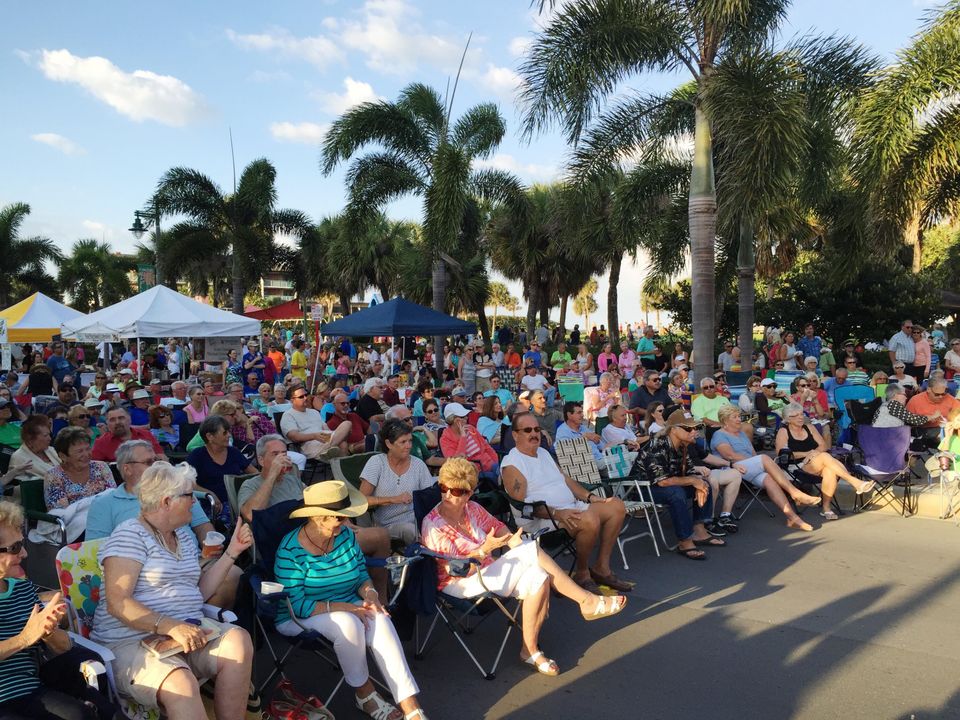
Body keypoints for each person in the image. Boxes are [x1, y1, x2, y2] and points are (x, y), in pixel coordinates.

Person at [421, 458, 626, 677]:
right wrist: (483, 550)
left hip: (487, 572)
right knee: (531, 550)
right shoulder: (433, 524)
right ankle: (586, 601)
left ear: (469, 493)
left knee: (537, 575)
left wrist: (511, 540)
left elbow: (498, 527)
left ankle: (530, 649)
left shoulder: (472, 509)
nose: (449, 495)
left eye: (457, 491)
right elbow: (455, 568)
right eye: (444, 488)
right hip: (459, 583)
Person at [91, 462, 254, 718]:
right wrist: (171, 627)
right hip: (130, 641)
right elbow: (117, 603)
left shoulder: (183, 535)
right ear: (167, 501)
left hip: (184, 633)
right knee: (181, 683)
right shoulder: (129, 536)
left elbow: (197, 591)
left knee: (238, 641)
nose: (195, 501)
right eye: (189, 495)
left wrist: (232, 552)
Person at [274, 481, 429, 720]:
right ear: (319, 517)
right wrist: (350, 607)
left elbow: (360, 575)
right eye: (340, 518)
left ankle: (410, 706)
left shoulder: (345, 536)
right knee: (348, 623)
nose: (346, 523)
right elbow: (296, 604)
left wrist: (370, 594)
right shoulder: (290, 550)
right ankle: (365, 695)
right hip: (300, 616)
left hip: (349, 606)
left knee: (379, 616)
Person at [0, 500, 106, 720]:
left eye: (22, 544)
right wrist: (25, 638)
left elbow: (61, 648)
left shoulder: (22, 587)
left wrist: (48, 630)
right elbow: (27, 637)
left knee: (81, 712)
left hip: (29, 690)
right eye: (15, 548)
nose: (25, 554)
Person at [503, 412, 630, 592]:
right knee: (589, 519)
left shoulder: (543, 453)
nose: (534, 434)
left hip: (570, 508)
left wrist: (590, 497)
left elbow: (565, 479)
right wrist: (557, 513)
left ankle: (601, 567)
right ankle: (582, 572)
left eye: (537, 429)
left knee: (616, 506)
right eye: (527, 430)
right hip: (543, 520)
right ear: (515, 435)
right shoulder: (512, 464)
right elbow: (522, 507)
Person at [711, 405, 819, 531]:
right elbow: (730, 456)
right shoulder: (719, 435)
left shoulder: (741, 434)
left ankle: (793, 518)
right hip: (732, 469)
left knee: (769, 480)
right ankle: (795, 492)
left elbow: (752, 454)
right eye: (734, 417)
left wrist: (758, 465)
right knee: (764, 458)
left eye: (739, 416)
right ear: (725, 420)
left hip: (748, 468)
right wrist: (758, 463)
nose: (739, 419)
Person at [775, 403, 875, 521]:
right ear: (787, 419)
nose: (800, 417)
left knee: (829, 469)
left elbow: (823, 445)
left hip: (816, 462)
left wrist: (814, 454)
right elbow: (781, 454)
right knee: (824, 457)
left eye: (801, 414)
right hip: (795, 467)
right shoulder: (783, 431)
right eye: (795, 416)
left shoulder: (810, 427)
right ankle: (854, 482)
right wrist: (808, 454)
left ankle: (826, 508)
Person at [358, 420, 435, 544]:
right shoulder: (377, 463)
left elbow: (429, 497)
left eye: (410, 441)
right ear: (389, 444)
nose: (409, 445)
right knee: (411, 530)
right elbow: (361, 500)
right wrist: (392, 499)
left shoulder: (418, 464)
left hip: (417, 519)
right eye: (403, 442)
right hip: (388, 524)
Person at [44, 427, 117, 510]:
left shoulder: (101, 467)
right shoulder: (53, 475)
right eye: (79, 451)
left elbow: (114, 497)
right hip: (72, 520)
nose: (86, 454)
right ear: (63, 456)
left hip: (106, 514)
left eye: (88, 449)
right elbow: (60, 511)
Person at [280, 385, 352, 459]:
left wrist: (340, 435)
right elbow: (294, 437)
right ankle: (330, 450)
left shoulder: (314, 412)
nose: (305, 398)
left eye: (306, 395)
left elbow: (326, 429)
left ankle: (329, 450)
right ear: (292, 400)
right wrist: (314, 436)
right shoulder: (288, 415)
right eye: (301, 397)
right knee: (343, 444)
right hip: (310, 445)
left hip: (325, 439)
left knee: (347, 424)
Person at [440, 403, 498, 475]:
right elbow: (456, 462)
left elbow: (487, 447)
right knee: (498, 479)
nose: (467, 418)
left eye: (466, 416)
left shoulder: (470, 428)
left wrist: (496, 462)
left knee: (503, 471)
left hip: (489, 464)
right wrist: (463, 437)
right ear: (454, 420)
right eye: (463, 416)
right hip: (472, 472)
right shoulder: (445, 439)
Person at [91, 406, 165, 463]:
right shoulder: (101, 443)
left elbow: (161, 456)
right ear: (107, 423)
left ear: (130, 419)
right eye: (112, 420)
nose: (117, 422)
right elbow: (96, 468)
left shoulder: (146, 435)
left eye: (121, 418)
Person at [8, 415, 60, 483]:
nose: (49, 439)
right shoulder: (18, 457)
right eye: (45, 435)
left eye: (49, 435)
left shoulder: (51, 450)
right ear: (31, 439)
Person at [326, 390, 371, 455]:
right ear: (334, 405)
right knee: (368, 445)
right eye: (343, 403)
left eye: (348, 403)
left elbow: (368, 428)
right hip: (350, 447)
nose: (346, 405)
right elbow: (336, 443)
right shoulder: (331, 422)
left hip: (363, 441)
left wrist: (371, 436)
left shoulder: (354, 415)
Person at [873, 385, 938, 428]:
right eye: (904, 394)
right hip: (883, 437)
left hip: (878, 437)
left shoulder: (886, 404)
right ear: (896, 395)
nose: (906, 398)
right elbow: (913, 419)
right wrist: (932, 416)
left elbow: (909, 421)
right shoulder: (893, 404)